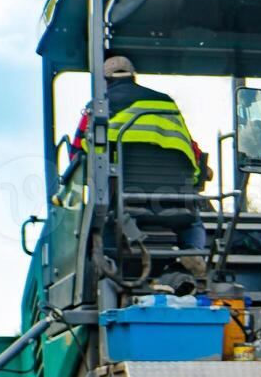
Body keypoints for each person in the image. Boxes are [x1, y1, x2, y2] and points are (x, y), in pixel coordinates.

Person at [71, 56, 213, 258]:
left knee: (100, 218)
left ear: (105, 80)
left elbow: (77, 156)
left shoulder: (98, 108)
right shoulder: (166, 104)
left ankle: (109, 263)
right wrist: (200, 176)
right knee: (193, 222)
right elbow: (191, 151)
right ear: (134, 77)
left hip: (123, 204)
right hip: (175, 203)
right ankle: (193, 253)